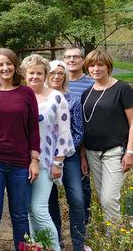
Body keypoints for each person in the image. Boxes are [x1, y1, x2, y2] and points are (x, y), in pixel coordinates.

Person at [0, 48, 40, 251]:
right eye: (0, 64)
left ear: (15, 65)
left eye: (9, 63)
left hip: (20, 163)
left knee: (20, 215)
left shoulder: (27, 92)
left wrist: (34, 161)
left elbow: (33, 129)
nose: (5, 68)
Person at [22, 54, 74, 251]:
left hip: (45, 160)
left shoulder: (56, 97)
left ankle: (54, 248)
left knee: (40, 209)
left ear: (45, 74)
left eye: (39, 73)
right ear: (25, 74)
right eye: (31, 73)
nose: (35, 76)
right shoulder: (20, 95)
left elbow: (63, 131)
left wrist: (58, 161)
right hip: (20, 161)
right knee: (27, 211)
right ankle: (37, 247)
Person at [81, 49, 133, 221]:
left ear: (108, 66)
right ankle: (109, 237)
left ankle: (115, 241)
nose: (96, 69)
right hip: (92, 152)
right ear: (87, 68)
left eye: (100, 65)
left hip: (114, 151)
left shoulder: (122, 88)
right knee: (104, 199)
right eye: (92, 65)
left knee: (109, 198)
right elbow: (83, 125)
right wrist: (83, 156)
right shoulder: (86, 94)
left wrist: (130, 152)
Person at [46, 60, 86, 250]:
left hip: (68, 157)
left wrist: (62, 152)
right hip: (45, 156)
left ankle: (78, 243)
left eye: (60, 73)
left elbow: (78, 132)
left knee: (76, 199)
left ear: (65, 76)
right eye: (52, 72)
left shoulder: (73, 100)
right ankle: (57, 242)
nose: (56, 76)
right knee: (49, 199)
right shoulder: (40, 98)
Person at [63, 45, 93, 224]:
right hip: (66, 143)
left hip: (87, 140)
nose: (71, 60)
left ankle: (85, 222)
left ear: (83, 60)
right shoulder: (56, 82)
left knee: (84, 184)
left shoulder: (91, 82)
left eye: (75, 57)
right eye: (68, 57)